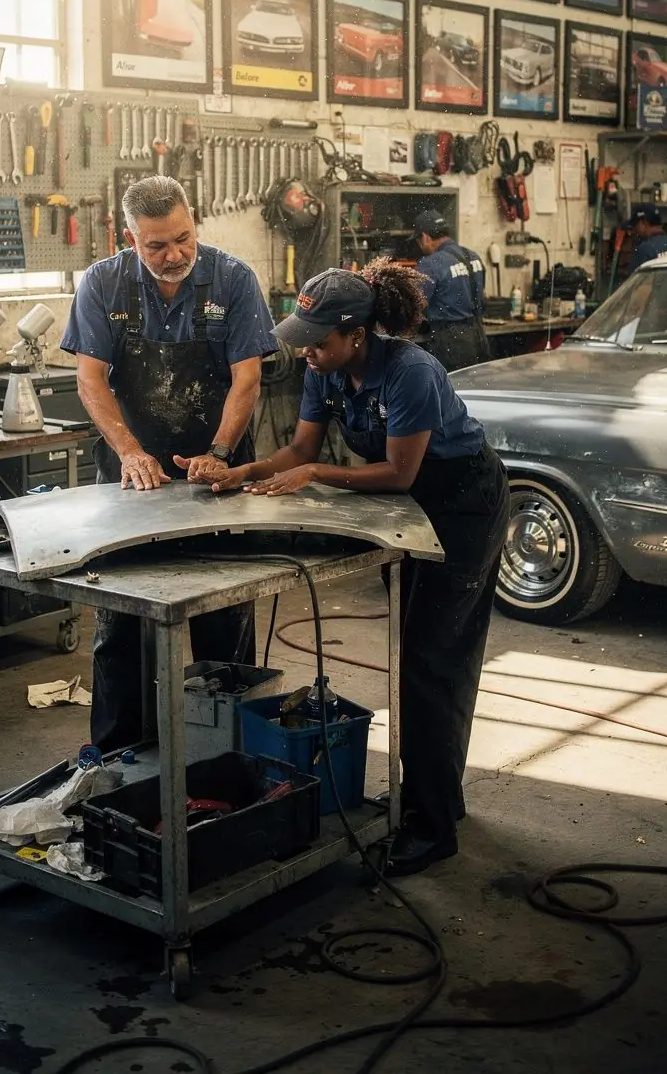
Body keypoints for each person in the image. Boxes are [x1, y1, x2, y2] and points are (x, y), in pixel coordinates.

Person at [202, 259, 510, 877]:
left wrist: (313, 476)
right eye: (303, 341)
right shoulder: (326, 371)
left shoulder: (411, 372)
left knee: (432, 663)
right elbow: (300, 449)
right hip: (409, 508)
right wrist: (239, 472)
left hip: (463, 505)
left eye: (318, 343)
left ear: (357, 335)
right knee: (423, 657)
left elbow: (399, 472)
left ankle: (432, 825)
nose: (307, 353)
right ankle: (435, 798)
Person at [60, 174, 278, 750]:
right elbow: (89, 379)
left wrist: (220, 454)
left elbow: (247, 377)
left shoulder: (233, 279)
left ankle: (227, 756)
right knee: (123, 620)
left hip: (220, 472)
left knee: (224, 617)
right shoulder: (103, 284)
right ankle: (117, 762)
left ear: (194, 221)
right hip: (135, 479)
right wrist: (129, 451)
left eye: (183, 237)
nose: (174, 254)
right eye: (156, 245)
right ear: (127, 238)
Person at [413, 211, 490, 371]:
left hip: (451, 344)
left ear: (425, 237)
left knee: (451, 391)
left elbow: (414, 305)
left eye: (419, 241)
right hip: (479, 336)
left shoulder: (431, 263)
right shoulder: (473, 256)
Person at [627, 203, 667, 274]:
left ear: (643, 223)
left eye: (635, 225)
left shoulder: (645, 249)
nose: (634, 230)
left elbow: (633, 282)